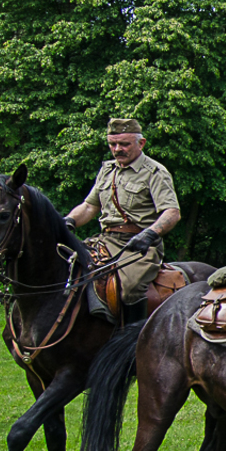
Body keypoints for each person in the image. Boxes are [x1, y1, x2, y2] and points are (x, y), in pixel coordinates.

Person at [65, 118, 181, 325]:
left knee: (129, 287)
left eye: (124, 144)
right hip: (105, 240)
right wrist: (68, 221)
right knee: (72, 270)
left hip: (139, 245)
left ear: (141, 143)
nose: (118, 149)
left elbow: (172, 212)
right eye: (113, 144)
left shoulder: (155, 172)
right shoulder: (107, 170)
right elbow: (90, 206)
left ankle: (132, 338)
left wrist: (149, 234)